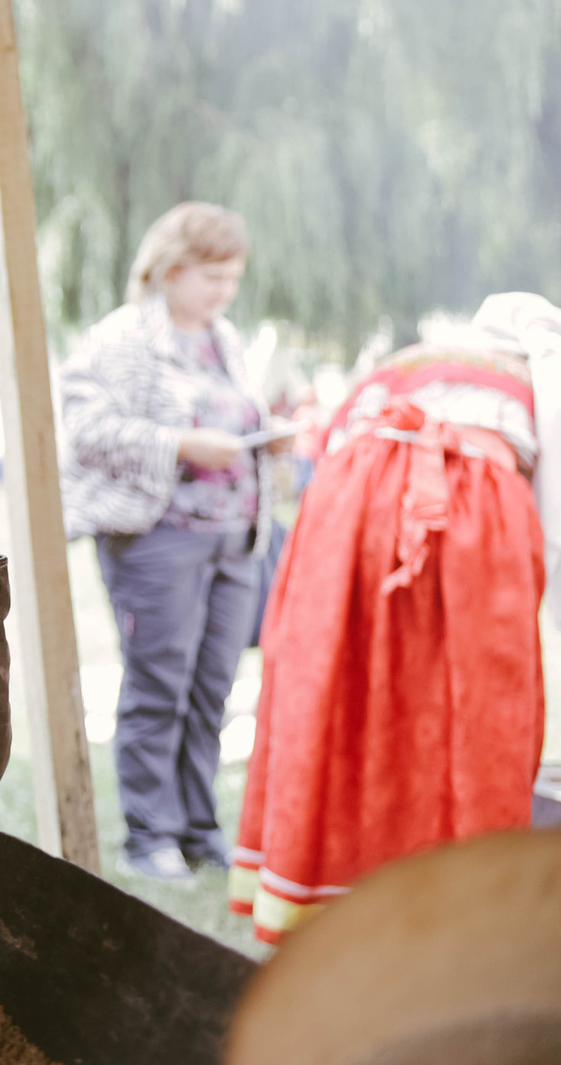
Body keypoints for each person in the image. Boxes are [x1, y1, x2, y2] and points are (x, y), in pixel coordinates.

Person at [232, 293, 555, 941]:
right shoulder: (546, 370)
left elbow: (333, 442)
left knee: (339, 698)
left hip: (339, 517)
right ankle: (463, 911)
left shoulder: (412, 360)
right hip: (465, 516)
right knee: (470, 712)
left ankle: (329, 893)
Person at [57, 202, 271, 882]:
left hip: (234, 541)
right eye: (213, 277)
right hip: (158, 541)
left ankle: (200, 828)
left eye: (232, 278)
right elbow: (86, 431)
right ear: (171, 270)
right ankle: (149, 836)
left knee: (212, 691)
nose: (224, 292)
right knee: (159, 689)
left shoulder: (225, 339)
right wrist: (181, 443)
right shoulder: (121, 338)